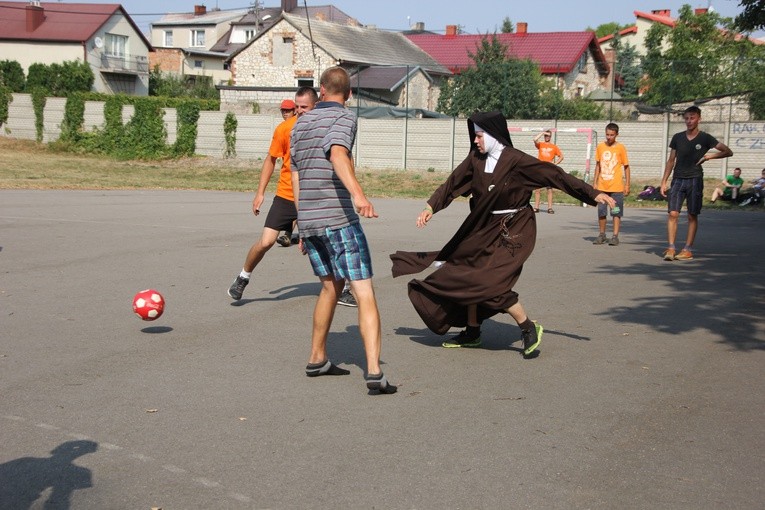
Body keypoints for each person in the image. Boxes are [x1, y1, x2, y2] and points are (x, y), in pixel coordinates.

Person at [390, 111, 615, 358]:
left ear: (494, 135)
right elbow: (452, 183)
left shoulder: (517, 161)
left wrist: (592, 193)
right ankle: (472, 331)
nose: (474, 141)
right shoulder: (476, 159)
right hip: (484, 227)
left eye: (478, 136)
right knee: (469, 272)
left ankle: (528, 327)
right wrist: (430, 206)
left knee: (490, 280)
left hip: (515, 229)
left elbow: (556, 175)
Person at [290, 66, 395, 394]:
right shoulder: (345, 118)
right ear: (348, 94)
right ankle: (375, 372)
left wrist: (301, 222)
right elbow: (337, 154)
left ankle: (317, 358)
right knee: (363, 290)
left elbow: (295, 175)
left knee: (329, 288)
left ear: (321, 90)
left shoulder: (299, 123)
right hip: (338, 219)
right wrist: (359, 195)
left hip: (309, 219)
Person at [227, 87, 319, 300]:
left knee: (328, 241)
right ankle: (243, 276)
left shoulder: (322, 128)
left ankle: (343, 289)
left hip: (314, 196)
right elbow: (270, 160)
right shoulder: (284, 129)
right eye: (297, 107)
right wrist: (260, 193)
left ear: (316, 106)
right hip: (287, 195)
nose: (299, 111)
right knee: (267, 241)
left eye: (304, 107)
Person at [660, 106, 733, 261]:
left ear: (699, 118)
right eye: (686, 118)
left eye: (692, 118)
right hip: (678, 179)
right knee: (673, 213)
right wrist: (664, 181)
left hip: (695, 179)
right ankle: (671, 248)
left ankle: (687, 250)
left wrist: (709, 157)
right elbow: (671, 160)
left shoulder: (705, 138)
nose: (689, 121)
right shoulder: (678, 137)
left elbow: (727, 151)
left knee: (692, 215)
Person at [592, 122, 630, 246]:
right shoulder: (600, 147)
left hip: (616, 187)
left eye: (612, 135)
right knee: (602, 211)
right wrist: (595, 182)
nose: (609, 137)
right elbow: (597, 165)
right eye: (607, 134)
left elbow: (626, 167)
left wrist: (627, 184)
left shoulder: (621, 148)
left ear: (617, 135)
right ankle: (602, 234)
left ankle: (615, 236)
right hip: (602, 186)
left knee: (616, 212)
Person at [275, 99, 298, 247]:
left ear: (294, 110)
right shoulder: (282, 129)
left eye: (288, 110)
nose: (285, 113)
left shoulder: (298, 125)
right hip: (288, 175)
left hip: (300, 174)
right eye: (283, 110)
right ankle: (288, 235)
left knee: (298, 205)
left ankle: (289, 235)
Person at [533, 129, 564, 214]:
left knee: (549, 189)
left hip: (549, 170)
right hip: (540, 169)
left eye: (548, 136)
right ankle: (536, 207)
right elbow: (535, 139)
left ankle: (550, 208)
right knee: (537, 189)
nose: (547, 137)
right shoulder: (541, 145)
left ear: (551, 137)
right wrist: (542, 132)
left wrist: (555, 164)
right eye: (546, 136)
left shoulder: (554, 147)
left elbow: (561, 156)